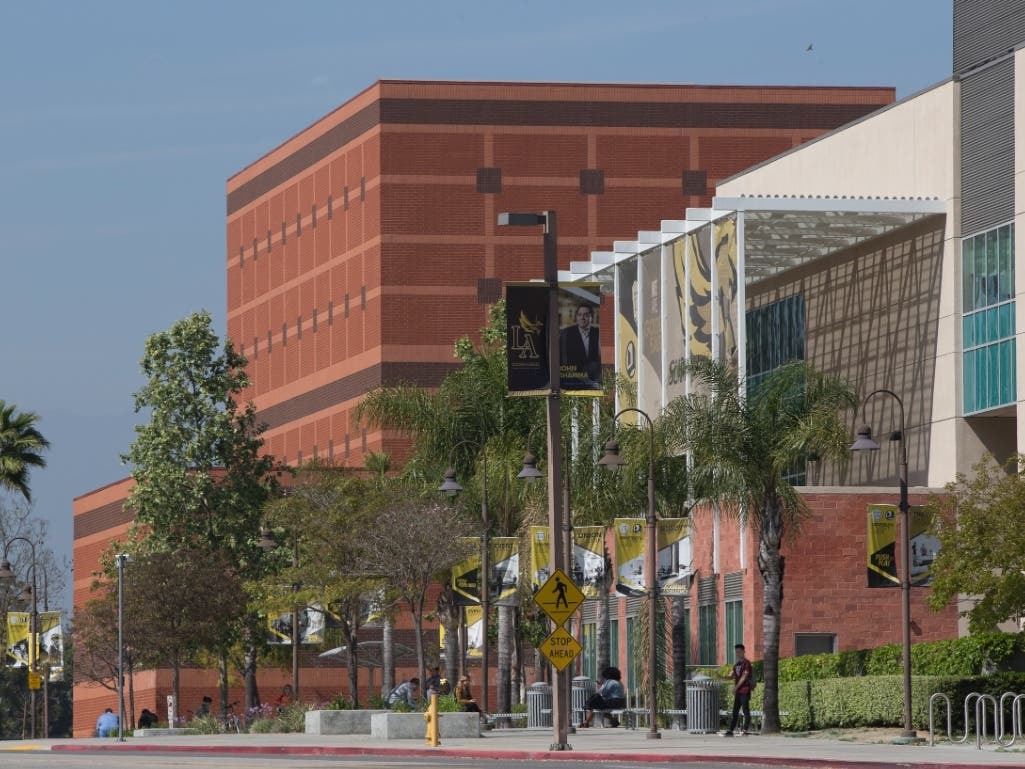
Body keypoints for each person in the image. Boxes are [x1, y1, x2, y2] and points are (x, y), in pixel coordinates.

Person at [559, 303, 601, 388]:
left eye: (586, 315)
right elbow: (562, 360)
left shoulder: (598, 333)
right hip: (572, 382)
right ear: (576, 317)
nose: (582, 318)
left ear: (591, 317)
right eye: (579, 315)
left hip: (594, 381)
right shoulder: (566, 333)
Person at [722, 643, 753, 737]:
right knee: (735, 711)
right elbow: (731, 676)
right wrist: (721, 676)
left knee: (745, 710)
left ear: (744, 651)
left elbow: (744, 677)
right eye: (736, 652)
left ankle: (745, 729)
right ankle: (730, 730)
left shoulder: (747, 663)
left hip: (745, 690)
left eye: (739, 651)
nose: (738, 653)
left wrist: (735, 687)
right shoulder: (736, 665)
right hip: (738, 692)